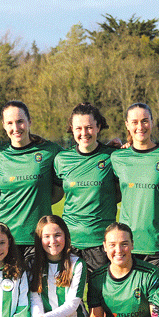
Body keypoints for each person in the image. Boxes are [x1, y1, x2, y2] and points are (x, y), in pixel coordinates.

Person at [110, 102, 159, 280]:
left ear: (152, 122)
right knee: (129, 304)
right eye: (134, 122)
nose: (140, 126)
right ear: (127, 125)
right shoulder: (117, 157)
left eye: (144, 121)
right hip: (127, 246)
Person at [0, 100, 62, 260]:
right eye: (10, 123)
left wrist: (111, 148)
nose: (15, 128)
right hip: (4, 238)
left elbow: (79, 157)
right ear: (4, 125)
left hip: (39, 237)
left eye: (20, 121)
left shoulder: (50, 151)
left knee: (38, 285)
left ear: (29, 121)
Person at [54, 103, 119, 273]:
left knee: (99, 298)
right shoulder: (62, 159)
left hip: (101, 244)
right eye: (79, 128)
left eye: (89, 127)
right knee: (69, 297)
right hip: (69, 243)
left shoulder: (113, 156)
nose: (84, 133)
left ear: (98, 127)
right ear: (72, 129)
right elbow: (54, 192)